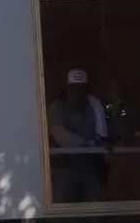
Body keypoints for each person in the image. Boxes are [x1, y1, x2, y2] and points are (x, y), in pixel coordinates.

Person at [47, 68, 110, 203]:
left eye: (81, 88)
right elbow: (59, 133)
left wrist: (106, 143)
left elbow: (104, 134)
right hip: (64, 168)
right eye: (74, 88)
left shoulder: (95, 108)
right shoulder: (57, 107)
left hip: (89, 168)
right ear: (67, 89)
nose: (77, 92)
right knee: (64, 208)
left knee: (92, 207)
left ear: (87, 89)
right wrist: (87, 144)